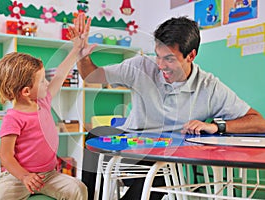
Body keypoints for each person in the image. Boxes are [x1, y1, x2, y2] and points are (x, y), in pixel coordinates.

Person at [74, 14, 265, 200]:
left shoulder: (208, 87)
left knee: (158, 176)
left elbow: (258, 122)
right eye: (158, 56)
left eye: (169, 59)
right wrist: (82, 57)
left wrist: (217, 127)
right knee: (96, 135)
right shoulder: (141, 66)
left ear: (191, 55)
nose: (160, 65)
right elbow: (92, 76)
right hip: (131, 145)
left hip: (165, 159)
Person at [0, 16, 88, 200]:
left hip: (49, 176)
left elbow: (59, 75)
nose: (47, 83)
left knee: (78, 189)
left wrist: (76, 49)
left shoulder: (43, 101)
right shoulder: (13, 118)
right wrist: (24, 176)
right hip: (17, 178)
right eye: (42, 81)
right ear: (26, 91)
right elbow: (6, 155)